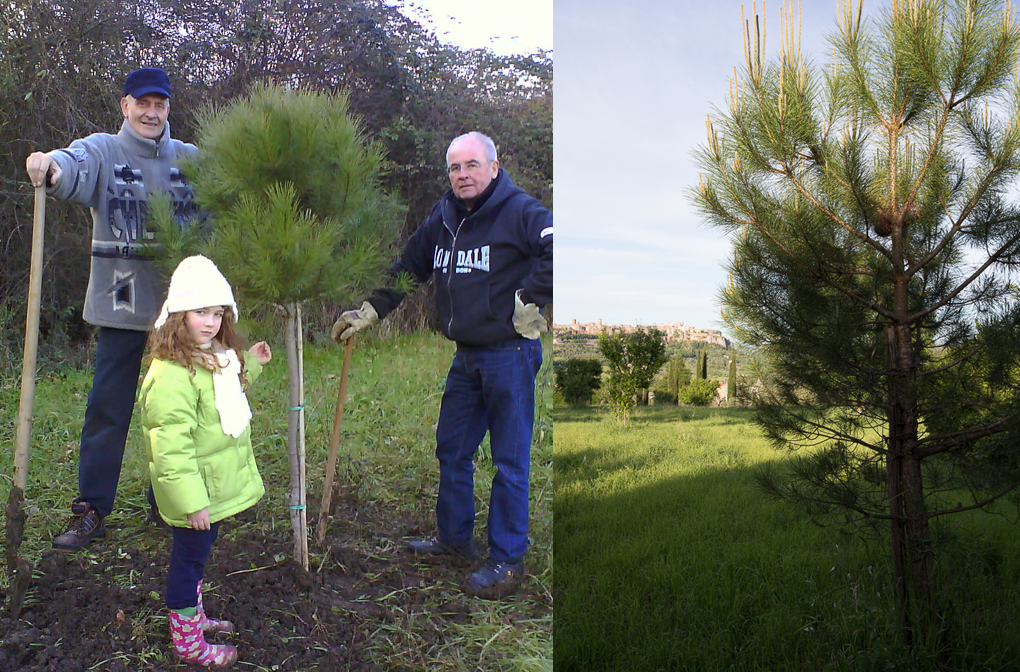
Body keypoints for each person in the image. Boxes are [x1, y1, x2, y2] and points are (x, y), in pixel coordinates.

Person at [332, 131, 552, 599]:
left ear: (494, 166)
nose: (462, 175)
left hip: (510, 355)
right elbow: (410, 266)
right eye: (454, 168)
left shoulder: (521, 211)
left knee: (510, 461)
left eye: (471, 165)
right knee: (452, 450)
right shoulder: (444, 216)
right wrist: (370, 310)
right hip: (467, 356)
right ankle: (454, 542)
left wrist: (532, 300)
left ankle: (507, 560)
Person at [25, 67, 200, 550]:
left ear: (168, 109)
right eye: (141, 103)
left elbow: (229, 200)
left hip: (177, 314)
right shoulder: (104, 149)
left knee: (176, 412)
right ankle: (92, 509)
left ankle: (168, 501)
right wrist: (50, 165)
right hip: (121, 307)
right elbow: (72, 164)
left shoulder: (191, 160)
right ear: (125, 106)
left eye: (159, 104)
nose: (151, 112)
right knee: (108, 410)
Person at [139, 255, 272, 668]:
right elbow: (170, 449)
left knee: (199, 555)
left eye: (218, 313)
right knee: (188, 561)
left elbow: (226, 385)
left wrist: (252, 360)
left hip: (206, 489)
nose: (211, 322)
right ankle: (188, 642)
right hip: (193, 493)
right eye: (201, 312)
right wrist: (192, 502)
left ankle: (193, 618)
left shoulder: (212, 356)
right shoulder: (171, 374)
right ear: (178, 314)